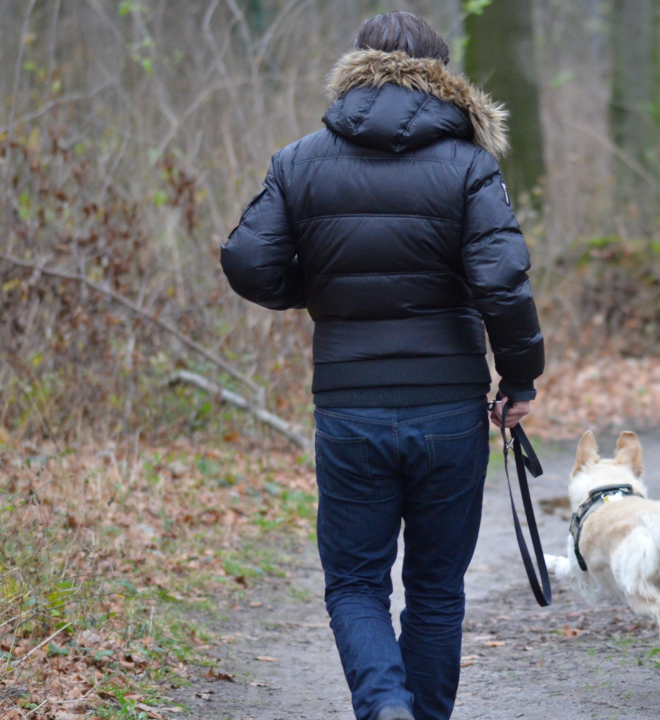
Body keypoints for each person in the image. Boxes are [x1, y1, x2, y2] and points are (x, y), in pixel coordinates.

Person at [220, 11, 544, 720]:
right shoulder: (468, 164)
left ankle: (384, 707)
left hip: (349, 405)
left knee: (357, 584)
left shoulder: (301, 159)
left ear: (355, 65)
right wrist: (519, 381)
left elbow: (247, 259)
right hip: (449, 408)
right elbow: (502, 280)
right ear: (443, 75)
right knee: (435, 587)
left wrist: (320, 291)